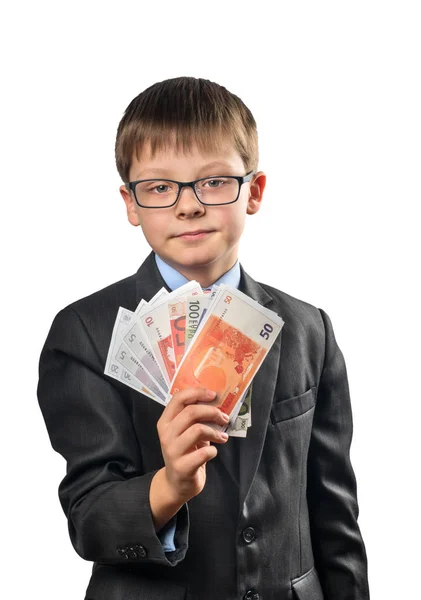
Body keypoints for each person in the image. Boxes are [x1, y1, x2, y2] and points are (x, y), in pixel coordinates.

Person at [37, 76, 370, 600]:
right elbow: (89, 518)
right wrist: (168, 487)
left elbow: (335, 513)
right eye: (160, 186)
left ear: (253, 192)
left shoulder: (311, 330)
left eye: (214, 182)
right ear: (130, 203)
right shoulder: (83, 334)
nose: (188, 206)